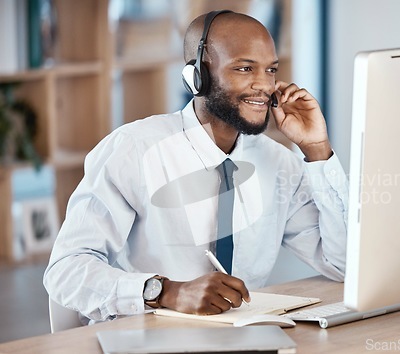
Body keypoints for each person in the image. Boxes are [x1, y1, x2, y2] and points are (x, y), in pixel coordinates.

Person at [43, 10, 348, 324]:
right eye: (245, 68)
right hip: (146, 336)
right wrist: (166, 292)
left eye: (271, 70)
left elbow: (343, 264)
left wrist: (317, 150)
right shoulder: (133, 150)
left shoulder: (279, 161)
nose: (264, 85)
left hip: (242, 337)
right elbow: (66, 270)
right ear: (197, 76)